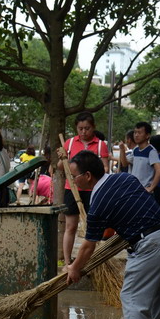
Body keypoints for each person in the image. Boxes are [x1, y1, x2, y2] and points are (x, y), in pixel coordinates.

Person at [67, 150, 160, 319]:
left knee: (132, 297)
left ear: (88, 176)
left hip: (149, 245)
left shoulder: (98, 202)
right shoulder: (126, 178)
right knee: (158, 297)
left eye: (74, 176)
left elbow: (88, 246)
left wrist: (74, 269)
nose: (73, 181)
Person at [55, 113, 110, 266]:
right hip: (72, 189)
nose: (84, 132)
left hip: (93, 190)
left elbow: (105, 167)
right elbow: (61, 168)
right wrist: (63, 157)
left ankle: (92, 261)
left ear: (93, 127)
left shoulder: (100, 145)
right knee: (70, 226)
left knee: (92, 226)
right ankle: (67, 262)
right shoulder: (70, 143)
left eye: (87, 128)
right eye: (80, 128)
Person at [126, 122, 160, 196]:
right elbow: (125, 163)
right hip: (133, 189)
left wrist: (151, 188)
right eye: (135, 132)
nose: (136, 135)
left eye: (139, 133)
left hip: (144, 192)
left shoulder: (151, 151)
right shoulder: (135, 150)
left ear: (147, 135)